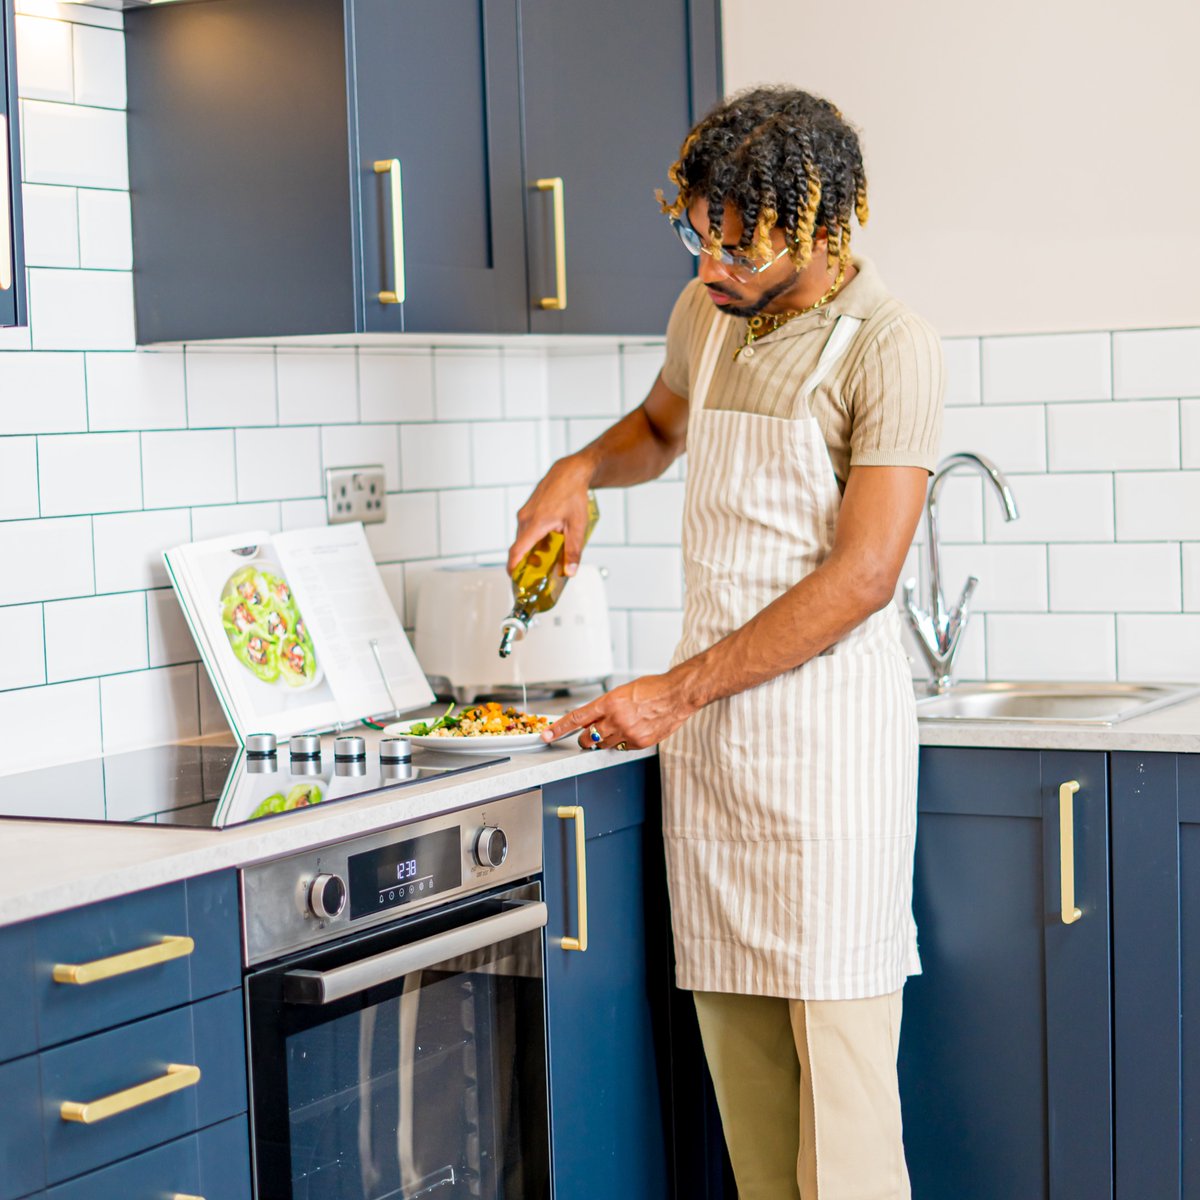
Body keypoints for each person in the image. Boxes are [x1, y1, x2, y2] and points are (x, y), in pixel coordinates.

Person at [508, 85, 944, 1199]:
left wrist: (674, 693)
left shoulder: (888, 347)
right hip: (719, 763)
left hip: (827, 766)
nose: (711, 269)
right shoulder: (709, 312)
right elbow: (662, 425)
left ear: (821, 228)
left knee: (841, 1135)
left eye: (738, 248)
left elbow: (864, 576)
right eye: (697, 238)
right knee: (753, 1121)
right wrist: (578, 471)